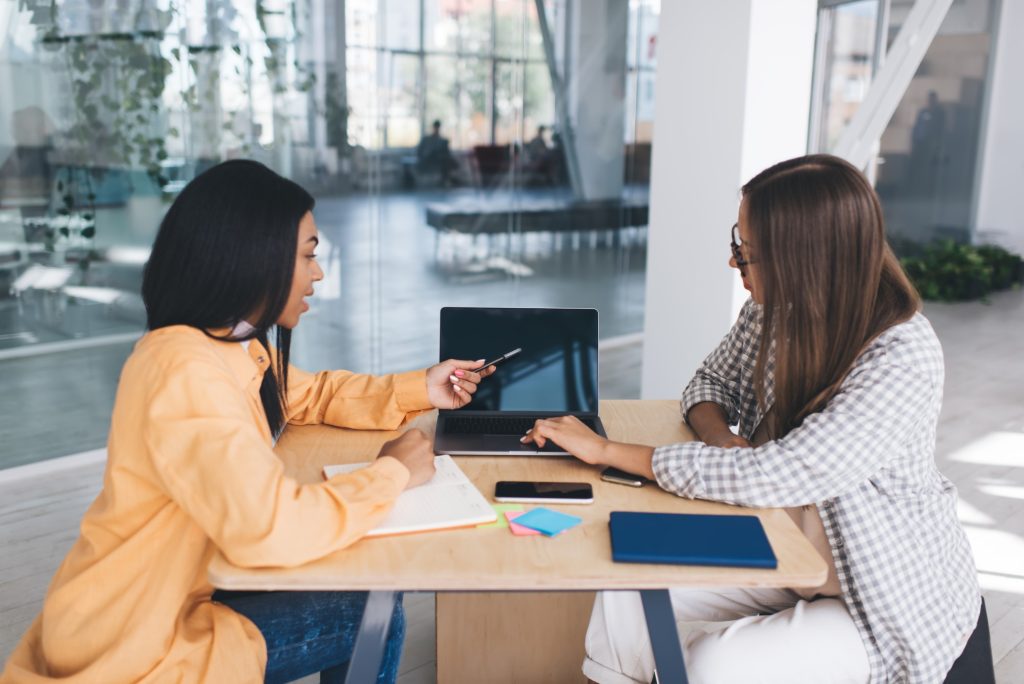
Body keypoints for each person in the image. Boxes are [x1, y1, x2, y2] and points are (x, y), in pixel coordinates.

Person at [0, 160, 494, 684]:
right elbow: (268, 529)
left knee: (356, 580)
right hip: (136, 646)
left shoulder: (224, 341)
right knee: (369, 610)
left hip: (180, 590)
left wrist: (425, 386)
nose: (318, 273)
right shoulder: (184, 372)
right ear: (254, 256)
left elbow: (310, 393)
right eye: (308, 256)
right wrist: (391, 472)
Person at [522, 154, 982, 683]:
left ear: (804, 259)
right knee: (627, 587)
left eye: (748, 253)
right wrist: (721, 439)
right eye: (737, 242)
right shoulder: (774, 311)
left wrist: (607, 451)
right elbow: (708, 384)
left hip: (876, 595)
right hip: (784, 547)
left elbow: (782, 473)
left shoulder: (901, 354)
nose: (734, 262)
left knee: (714, 665)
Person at [416, 119, 457, 185]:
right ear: (433, 127)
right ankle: (446, 180)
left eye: (438, 127)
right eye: (436, 127)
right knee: (445, 160)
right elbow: (421, 151)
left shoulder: (442, 140)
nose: (437, 129)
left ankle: (446, 180)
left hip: (439, 159)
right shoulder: (427, 139)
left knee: (445, 160)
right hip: (429, 159)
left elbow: (445, 151)